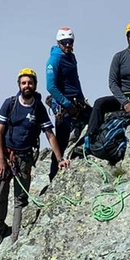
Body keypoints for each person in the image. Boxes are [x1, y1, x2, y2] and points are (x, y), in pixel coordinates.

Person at [0, 68, 65, 247]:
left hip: (24, 158)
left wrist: (60, 158)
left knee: (20, 199)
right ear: (19, 85)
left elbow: (50, 134)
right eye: (24, 83)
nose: (27, 86)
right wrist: (1, 159)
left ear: (35, 85)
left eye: (30, 83)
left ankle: (15, 238)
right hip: (6, 155)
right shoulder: (10, 104)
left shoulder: (38, 108)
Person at [46, 27, 88, 180]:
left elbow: (75, 80)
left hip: (75, 102)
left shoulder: (71, 57)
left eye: (70, 42)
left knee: (93, 120)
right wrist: (66, 103)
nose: (68, 45)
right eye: (65, 43)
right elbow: (50, 86)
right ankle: (53, 174)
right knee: (61, 141)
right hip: (64, 107)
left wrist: (81, 99)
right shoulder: (54, 59)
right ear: (59, 43)